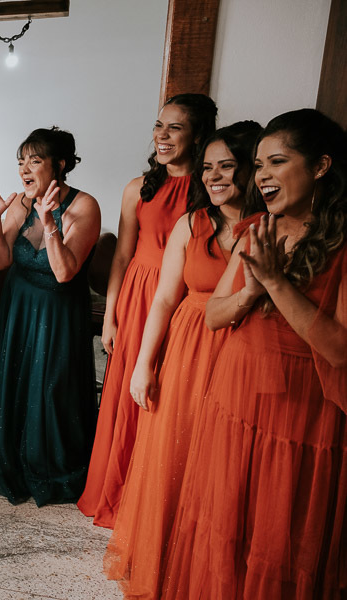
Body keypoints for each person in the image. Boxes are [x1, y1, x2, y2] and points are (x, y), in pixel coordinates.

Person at [163, 109, 347, 598]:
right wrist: (249, 293)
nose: (262, 176)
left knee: (278, 534)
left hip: (301, 414)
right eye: (259, 164)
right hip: (237, 398)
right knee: (227, 519)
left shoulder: (343, 243)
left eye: (277, 162)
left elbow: (339, 348)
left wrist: (272, 281)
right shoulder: (255, 230)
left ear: (322, 165)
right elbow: (215, 314)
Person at [104, 121, 263, 598]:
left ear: (251, 171)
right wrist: (144, 364)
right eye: (209, 167)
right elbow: (164, 300)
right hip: (191, 347)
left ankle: (212, 565)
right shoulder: (191, 224)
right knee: (177, 449)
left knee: (226, 463)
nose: (215, 177)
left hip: (244, 348)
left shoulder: (272, 225)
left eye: (227, 167)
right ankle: (168, 556)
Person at [77, 93, 218, 528]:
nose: (162, 135)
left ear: (197, 135)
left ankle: (154, 499)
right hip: (140, 294)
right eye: (159, 126)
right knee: (127, 392)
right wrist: (111, 315)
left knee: (168, 394)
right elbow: (121, 256)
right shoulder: (137, 188)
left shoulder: (211, 189)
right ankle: (116, 492)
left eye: (175, 127)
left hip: (187, 301)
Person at [0, 127, 101, 505]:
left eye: (34, 160)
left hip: (57, 310)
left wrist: (49, 224)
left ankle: (52, 468)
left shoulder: (84, 207)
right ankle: (10, 458)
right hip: (19, 304)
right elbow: (0, 259)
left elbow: (64, 272)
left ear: (59, 165)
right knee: (17, 379)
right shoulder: (21, 203)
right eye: (20, 161)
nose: (24, 169)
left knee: (50, 387)